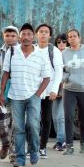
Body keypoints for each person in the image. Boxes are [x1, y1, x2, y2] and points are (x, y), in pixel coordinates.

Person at [0, 23, 51, 167]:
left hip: (33, 97)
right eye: (24, 34)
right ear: (20, 36)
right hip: (16, 96)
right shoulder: (12, 52)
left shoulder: (41, 54)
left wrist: (37, 95)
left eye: (29, 34)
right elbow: (5, 73)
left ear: (33, 36)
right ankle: (20, 158)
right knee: (19, 128)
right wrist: (1, 94)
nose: (26, 37)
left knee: (33, 125)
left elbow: (47, 77)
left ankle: (34, 150)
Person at [0, 26, 19, 163]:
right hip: (3, 90)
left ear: (17, 37)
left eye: (13, 35)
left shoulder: (23, 51)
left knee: (16, 124)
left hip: (19, 91)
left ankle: (14, 153)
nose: (10, 38)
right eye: (7, 35)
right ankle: (5, 143)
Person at [34, 24, 63, 159]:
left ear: (50, 35)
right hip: (33, 90)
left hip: (48, 90)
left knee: (46, 119)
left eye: (46, 32)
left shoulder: (54, 51)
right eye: (41, 32)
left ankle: (42, 147)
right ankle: (32, 147)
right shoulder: (32, 49)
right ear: (36, 34)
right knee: (32, 119)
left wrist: (54, 89)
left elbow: (58, 72)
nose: (43, 34)